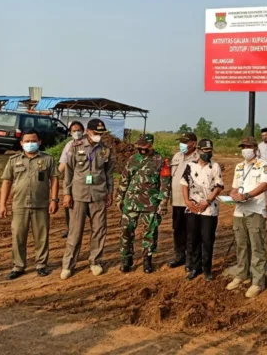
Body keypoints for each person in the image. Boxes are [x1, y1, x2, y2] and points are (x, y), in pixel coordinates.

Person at [0, 129, 59, 279]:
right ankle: (18, 266)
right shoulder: (13, 160)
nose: (30, 144)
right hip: (19, 204)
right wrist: (2, 204)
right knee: (18, 236)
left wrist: (54, 200)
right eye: (27, 141)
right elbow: (7, 181)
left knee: (41, 236)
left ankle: (41, 265)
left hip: (41, 204)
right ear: (21, 143)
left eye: (33, 141)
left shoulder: (48, 159)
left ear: (39, 142)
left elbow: (54, 180)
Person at [61, 119, 114, 280]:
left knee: (99, 229)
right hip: (78, 194)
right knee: (75, 231)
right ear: (88, 132)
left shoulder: (106, 150)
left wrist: (110, 192)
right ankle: (68, 264)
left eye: (101, 133)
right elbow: (68, 172)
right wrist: (66, 193)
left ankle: (95, 261)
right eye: (96, 133)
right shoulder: (74, 147)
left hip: (98, 194)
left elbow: (109, 173)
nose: (99, 136)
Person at [116, 134, 171, 274]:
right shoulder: (133, 159)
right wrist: (119, 197)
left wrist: (163, 202)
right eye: (138, 146)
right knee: (126, 231)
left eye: (143, 146)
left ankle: (147, 259)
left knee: (150, 233)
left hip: (150, 203)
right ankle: (126, 259)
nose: (140, 148)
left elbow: (165, 183)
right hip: (131, 202)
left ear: (151, 145)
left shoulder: (161, 160)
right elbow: (124, 179)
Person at [226, 137, 267, 298]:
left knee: (257, 246)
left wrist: (247, 195)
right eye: (243, 146)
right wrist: (233, 194)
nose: (245, 149)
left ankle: (258, 281)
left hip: (255, 210)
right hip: (239, 210)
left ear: (255, 148)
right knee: (241, 245)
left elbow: (264, 185)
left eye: (248, 146)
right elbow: (234, 186)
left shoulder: (263, 165)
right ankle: (241, 275)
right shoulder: (239, 166)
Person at [180, 139, 223, 281]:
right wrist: (187, 201)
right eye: (205, 151)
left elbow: (218, 186)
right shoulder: (190, 166)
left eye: (210, 151)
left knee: (207, 239)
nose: (208, 154)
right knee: (193, 239)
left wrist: (208, 201)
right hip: (192, 207)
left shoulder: (215, 166)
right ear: (198, 151)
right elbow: (184, 184)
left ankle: (207, 270)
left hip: (209, 209)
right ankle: (195, 268)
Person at [167, 132, 199, 269]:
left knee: (191, 231)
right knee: (178, 229)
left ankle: (191, 259)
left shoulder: (198, 158)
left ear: (194, 143)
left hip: (190, 201)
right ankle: (180, 256)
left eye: (186, 142)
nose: (183, 145)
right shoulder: (176, 156)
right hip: (176, 200)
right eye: (181, 142)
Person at [58, 121, 86, 238]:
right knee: (68, 204)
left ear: (83, 131)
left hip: (85, 181)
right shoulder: (69, 145)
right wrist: (55, 175)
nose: (77, 133)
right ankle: (70, 228)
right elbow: (63, 163)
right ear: (70, 132)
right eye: (74, 131)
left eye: (79, 130)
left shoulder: (87, 144)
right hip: (73, 180)